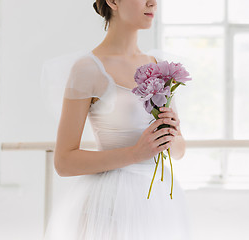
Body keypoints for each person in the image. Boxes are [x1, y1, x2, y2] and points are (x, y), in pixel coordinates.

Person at [42, 0, 193, 239]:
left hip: (159, 201)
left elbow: (179, 151)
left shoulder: (159, 68)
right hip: (110, 203)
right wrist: (135, 154)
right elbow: (63, 162)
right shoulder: (88, 69)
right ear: (113, 1)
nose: (153, 3)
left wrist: (171, 133)